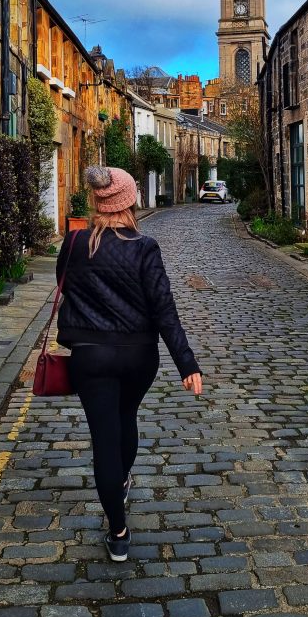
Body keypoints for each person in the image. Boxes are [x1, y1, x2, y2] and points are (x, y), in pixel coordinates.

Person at [56, 165, 202, 562]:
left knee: (104, 440)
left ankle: (118, 533)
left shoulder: (73, 243)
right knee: (127, 419)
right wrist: (187, 363)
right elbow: (164, 310)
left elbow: (63, 286)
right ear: (130, 201)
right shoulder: (144, 247)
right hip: (138, 356)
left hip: (90, 355)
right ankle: (121, 479)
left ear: (97, 202)